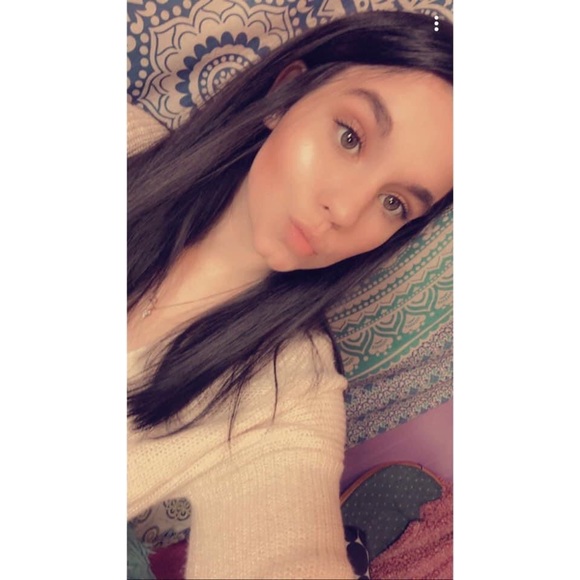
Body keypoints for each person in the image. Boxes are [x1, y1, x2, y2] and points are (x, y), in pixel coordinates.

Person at [127, 9, 453, 579]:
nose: (345, 210)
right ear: (286, 94)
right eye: (350, 137)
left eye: (394, 203)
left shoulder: (287, 396)